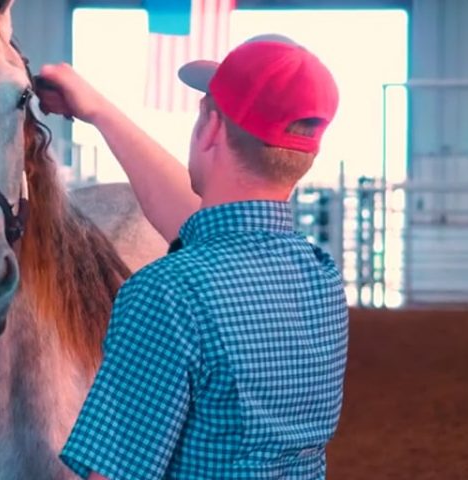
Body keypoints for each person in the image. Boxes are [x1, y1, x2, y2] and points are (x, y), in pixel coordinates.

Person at [36, 34, 351, 479]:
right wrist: (100, 112)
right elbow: (217, 232)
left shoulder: (165, 293)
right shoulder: (320, 279)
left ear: (212, 126)